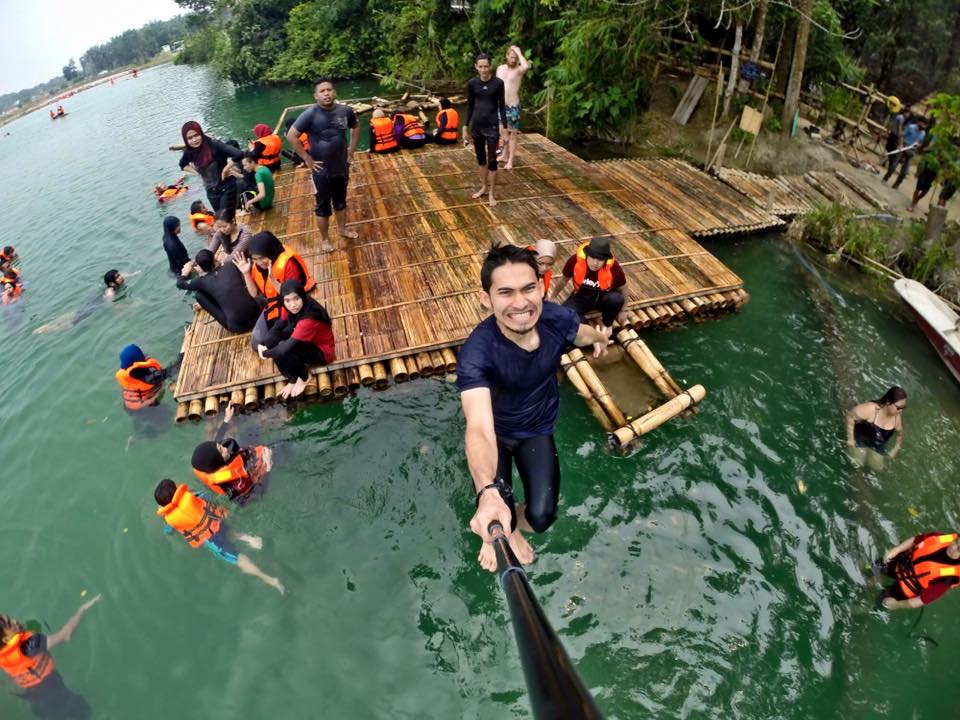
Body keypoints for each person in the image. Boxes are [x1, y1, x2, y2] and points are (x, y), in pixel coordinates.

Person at [457, 244, 613, 572]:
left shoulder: (555, 318)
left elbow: (582, 334)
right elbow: (479, 426)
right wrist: (487, 492)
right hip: (496, 434)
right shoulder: (477, 352)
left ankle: (510, 519)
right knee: (497, 503)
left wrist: (600, 339)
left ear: (541, 287)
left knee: (542, 518)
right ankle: (503, 526)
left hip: (537, 428)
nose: (521, 303)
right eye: (505, 292)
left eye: (529, 288)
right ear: (486, 299)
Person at [153, 479, 284, 593]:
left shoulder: (170, 520)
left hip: (210, 539)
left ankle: (269, 579)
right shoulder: (194, 496)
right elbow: (208, 496)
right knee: (230, 532)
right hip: (216, 522)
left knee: (238, 559)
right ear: (177, 490)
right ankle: (250, 539)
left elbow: (169, 531)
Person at [286, 78, 360, 252]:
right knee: (322, 205)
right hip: (320, 169)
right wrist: (306, 158)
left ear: (334, 92)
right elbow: (291, 135)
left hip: (341, 165)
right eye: (322, 91)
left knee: (341, 201)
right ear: (316, 95)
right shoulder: (310, 114)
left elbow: (355, 127)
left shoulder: (345, 111)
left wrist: (351, 150)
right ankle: (325, 239)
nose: (326, 93)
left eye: (329, 90)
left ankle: (342, 229)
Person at [0, 595, 101, 719]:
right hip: (57, 695)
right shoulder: (31, 645)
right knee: (83, 710)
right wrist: (82, 610)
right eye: (10, 624)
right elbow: (65, 635)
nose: (15, 621)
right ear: (5, 638)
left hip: (36, 702)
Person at [257, 279, 335, 399]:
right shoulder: (287, 306)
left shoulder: (309, 319)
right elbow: (278, 326)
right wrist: (264, 343)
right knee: (270, 339)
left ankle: (304, 377)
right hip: (306, 341)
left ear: (302, 296)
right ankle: (293, 378)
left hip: (323, 351)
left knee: (285, 346)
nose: (293, 305)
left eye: (296, 299)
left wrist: (265, 353)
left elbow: (284, 349)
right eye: (288, 300)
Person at [236, 231, 315, 348]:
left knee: (287, 342)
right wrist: (246, 273)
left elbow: (293, 296)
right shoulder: (257, 266)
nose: (259, 262)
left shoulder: (288, 264)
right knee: (256, 344)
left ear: (270, 251)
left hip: (293, 306)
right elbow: (254, 294)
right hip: (273, 306)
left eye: (262, 257)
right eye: (255, 259)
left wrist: (274, 282)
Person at [548, 237, 626, 335]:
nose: (595, 263)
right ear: (587, 255)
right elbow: (564, 279)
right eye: (592, 257)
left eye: (600, 259)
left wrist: (623, 310)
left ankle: (607, 324)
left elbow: (623, 287)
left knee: (616, 299)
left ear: (605, 260)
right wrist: (553, 296)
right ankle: (589, 330)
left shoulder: (613, 267)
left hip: (604, 296)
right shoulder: (574, 261)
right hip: (582, 296)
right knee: (566, 316)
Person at [191, 415, 272, 503]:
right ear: (218, 462)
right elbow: (256, 486)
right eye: (222, 451)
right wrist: (267, 467)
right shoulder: (232, 481)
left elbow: (217, 440)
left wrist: (226, 420)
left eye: (221, 446)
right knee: (281, 451)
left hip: (244, 458)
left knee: (249, 430)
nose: (225, 448)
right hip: (250, 488)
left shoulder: (215, 461)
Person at [463, 53, 508, 208]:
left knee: (492, 161)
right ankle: (483, 186)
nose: (483, 69)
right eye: (480, 66)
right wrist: (464, 126)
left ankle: (492, 193)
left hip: (492, 127)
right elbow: (469, 106)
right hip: (477, 127)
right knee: (481, 160)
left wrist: (505, 128)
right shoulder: (472, 83)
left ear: (491, 66)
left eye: (486, 66)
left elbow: (502, 106)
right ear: (476, 67)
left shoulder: (498, 83)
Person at [177, 249, 260, 333]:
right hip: (257, 314)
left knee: (199, 295)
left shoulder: (202, 281)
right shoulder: (230, 265)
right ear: (215, 258)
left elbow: (180, 284)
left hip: (238, 327)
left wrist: (185, 272)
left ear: (201, 268)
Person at [877, 532, 960, 609]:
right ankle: (875, 577)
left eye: (959, 549)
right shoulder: (941, 537)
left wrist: (896, 604)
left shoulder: (949, 578)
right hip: (902, 563)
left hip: (908, 588)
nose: (953, 547)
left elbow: (921, 600)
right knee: (874, 569)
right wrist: (896, 550)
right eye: (956, 541)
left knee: (882, 601)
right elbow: (915, 540)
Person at [178, 120, 243, 212]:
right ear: (186, 140)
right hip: (211, 193)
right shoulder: (190, 152)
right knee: (223, 221)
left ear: (201, 133)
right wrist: (198, 172)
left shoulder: (214, 144)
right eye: (190, 138)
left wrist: (225, 170)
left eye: (196, 135)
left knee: (223, 219)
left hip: (227, 187)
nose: (194, 140)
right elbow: (182, 165)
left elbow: (239, 154)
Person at [846, 386, 906, 470]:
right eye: (898, 408)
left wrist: (896, 448)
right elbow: (851, 417)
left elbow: (900, 433)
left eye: (903, 408)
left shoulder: (896, 418)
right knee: (857, 465)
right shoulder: (870, 409)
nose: (900, 411)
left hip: (878, 444)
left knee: (877, 469)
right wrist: (850, 439)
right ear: (888, 402)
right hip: (860, 439)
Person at [114, 343, 177, 411]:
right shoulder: (148, 378)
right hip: (147, 407)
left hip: (129, 406)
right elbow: (170, 371)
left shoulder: (126, 371)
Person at [496, 45, 529, 170]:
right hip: (500, 105)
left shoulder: (519, 70)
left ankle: (510, 160)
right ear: (506, 57)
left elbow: (526, 66)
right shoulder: (500, 68)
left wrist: (519, 52)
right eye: (512, 57)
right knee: (502, 132)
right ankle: (504, 154)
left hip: (513, 106)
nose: (513, 59)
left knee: (512, 134)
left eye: (515, 58)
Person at [883, 117, 927, 189]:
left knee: (905, 171)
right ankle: (886, 177)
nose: (924, 126)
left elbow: (920, 143)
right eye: (923, 124)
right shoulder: (910, 127)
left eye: (925, 125)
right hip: (903, 147)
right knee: (893, 166)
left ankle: (896, 185)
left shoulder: (923, 133)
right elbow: (902, 136)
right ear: (919, 122)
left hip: (911, 150)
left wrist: (918, 145)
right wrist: (900, 145)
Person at [883, 99, 904, 170]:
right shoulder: (898, 116)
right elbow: (894, 125)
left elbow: (894, 125)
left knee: (890, 149)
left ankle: (888, 164)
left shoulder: (898, 116)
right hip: (893, 135)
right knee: (890, 149)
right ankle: (889, 164)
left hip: (894, 135)